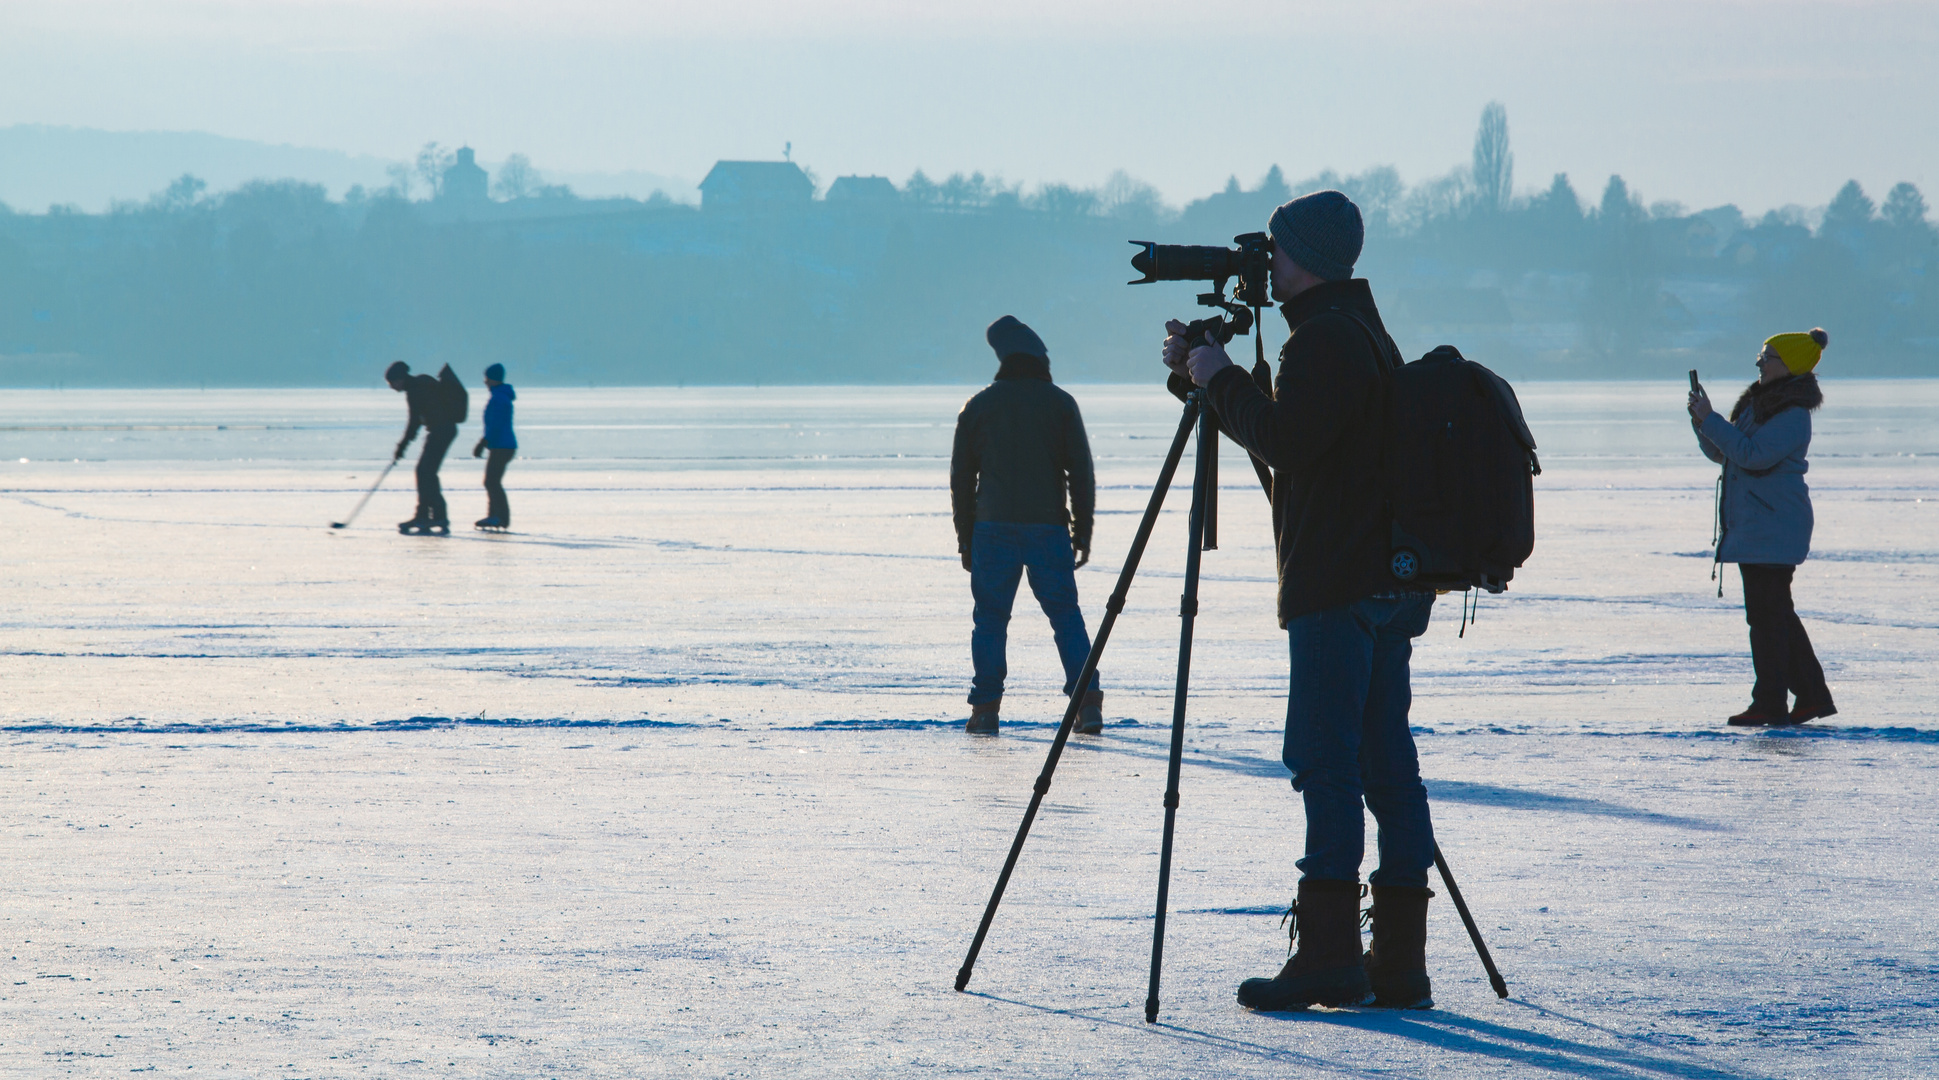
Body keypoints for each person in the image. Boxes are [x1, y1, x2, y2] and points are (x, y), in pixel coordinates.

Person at [1164, 190, 1436, 1012]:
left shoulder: (1321, 341)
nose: (1266, 266)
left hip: (1337, 584)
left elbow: (1287, 444)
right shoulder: (1361, 331)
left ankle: (1328, 958)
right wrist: (1214, 383)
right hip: (1387, 582)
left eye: (1276, 251)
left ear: (1305, 258)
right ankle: (1397, 959)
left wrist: (1215, 374)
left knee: (1325, 763)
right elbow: (1311, 438)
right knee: (1386, 765)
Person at [951, 316, 1103, 736]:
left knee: (990, 620)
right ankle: (1087, 703)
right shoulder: (1060, 403)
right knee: (1066, 616)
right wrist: (1082, 531)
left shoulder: (978, 406)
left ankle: (985, 710)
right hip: (1047, 528)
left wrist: (966, 538)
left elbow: (962, 481)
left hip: (992, 528)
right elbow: (1081, 473)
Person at [1688, 329, 1834, 726]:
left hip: (1773, 526)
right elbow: (1727, 452)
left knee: (1768, 618)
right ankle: (1809, 697)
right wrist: (1702, 422)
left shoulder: (1792, 415)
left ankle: (1771, 702)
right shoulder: (1761, 406)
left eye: (1766, 357)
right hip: (1758, 526)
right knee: (1774, 615)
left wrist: (1712, 420)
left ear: (1787, 366)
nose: (1759, 362)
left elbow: (1752, 456)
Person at [386, 361, 457, 535]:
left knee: (424, 471)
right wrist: (403, 446)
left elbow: (414, 422)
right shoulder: (421, 383)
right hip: (443, 430)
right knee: (426, 472)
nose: (392, 387)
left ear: (400, 379)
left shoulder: (415, 389)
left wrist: (402, 446)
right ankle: (433, 515)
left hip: (441, 431)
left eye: (392, 383)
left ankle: (427, 516)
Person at [472, 363, 517, 531]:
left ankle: (499, 517)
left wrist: (482, 443)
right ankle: (496, 516)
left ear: (493, 379)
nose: (485, 382)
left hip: (502, 445)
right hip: (501, 444)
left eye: (487, 378)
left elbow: (496, 425)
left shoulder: (499, 398)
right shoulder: (500, 396)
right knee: (492, 481)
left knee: (492, 481)